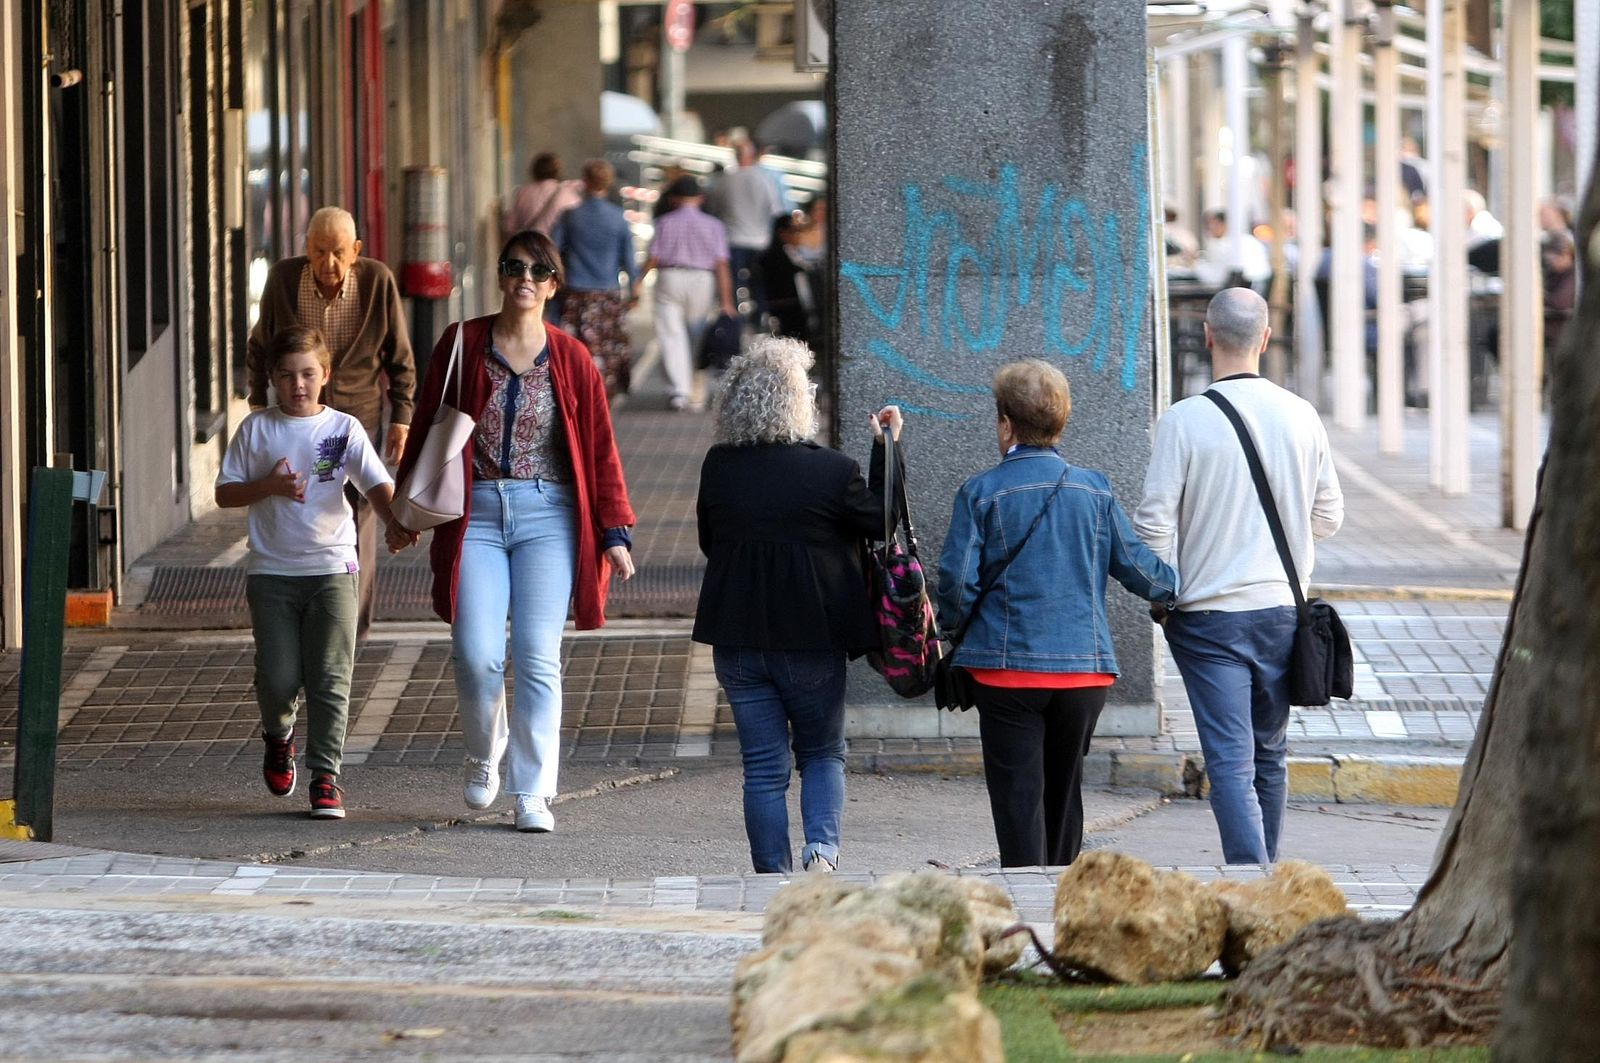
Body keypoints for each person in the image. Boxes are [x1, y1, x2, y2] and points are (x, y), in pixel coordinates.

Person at [389, 231, 637, 833]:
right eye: (514, 267)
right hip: (475, 511)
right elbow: (427, 424)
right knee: (476, 653)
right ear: (501, 276)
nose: (525, 278)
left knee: (536, 657)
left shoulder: (572, 358)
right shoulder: (463, 343)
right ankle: (483, 751)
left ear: (554, 285)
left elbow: (599, 448)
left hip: (548, 516)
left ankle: (533, 791)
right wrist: (405, 510)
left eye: (539, 270)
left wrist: (615, 530)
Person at [936, 360, 1177, 869]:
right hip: (1084, 674)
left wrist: (953, 632)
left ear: (1005, 422)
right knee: (1065, 795)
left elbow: (958, 584)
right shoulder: (1094, 489)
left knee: (1018, 800)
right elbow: (1140, 571)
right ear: (1061, 423)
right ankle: (1062, 901)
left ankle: (1026, 908)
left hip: (1005, 673)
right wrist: (1181, 589)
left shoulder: (981, 492)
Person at [1135, 288, 1344, 865]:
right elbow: (1329, 517)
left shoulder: (1182, 421)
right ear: (1266, 338)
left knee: (1229, 761)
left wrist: (1163, 594)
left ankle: (1251, 882)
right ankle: (1266, 883)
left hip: (1206, 620)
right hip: (1283, 612)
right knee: (1270, 754)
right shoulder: (1302, 415)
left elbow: (1152, 527)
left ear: (1207, 335)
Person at [693, 336, 903, 874]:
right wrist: (887, 448)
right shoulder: (832, 471)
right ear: (798, 402)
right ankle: (822, 854)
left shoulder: (720, 466)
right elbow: (882, 521)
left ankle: (771, 875)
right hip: (812, 638)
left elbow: (709, 541)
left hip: (737, 639)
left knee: (762, 767)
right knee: (821, 753)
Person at [219, 326, 404, 820]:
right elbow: (225, 492)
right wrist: (269, 486)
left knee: (330, 676)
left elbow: (376, 484)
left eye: (307, 373)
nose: (297, 384)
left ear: (326, 374)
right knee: (278, 678)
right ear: (273, 379)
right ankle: (279, 737)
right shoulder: (256, 429)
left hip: (333, 567)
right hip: (272, 572)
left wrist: (395, 525)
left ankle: (327, 779)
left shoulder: (343, 428)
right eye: (286, 375)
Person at [246, 206, 416, 641]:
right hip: (297, 417)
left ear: (356, 250)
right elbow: (261, 345)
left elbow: (400, 358)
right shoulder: (284, 279)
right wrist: (257, 401)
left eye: (339, 252)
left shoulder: (377, 281)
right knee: (305, 498)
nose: (329, 264)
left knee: (359, 506)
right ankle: (305, 601)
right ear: (306, 248)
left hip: (357, 416)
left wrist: (402, 417)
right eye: (319, 252)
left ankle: (349, 625)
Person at [634, 175, 737, 411]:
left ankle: (679, 392)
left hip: (670, 277)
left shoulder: (664, 222)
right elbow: (721, 264)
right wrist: (727, 301)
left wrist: (638, 283)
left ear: (674, 199)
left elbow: (654, 257)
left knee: (671, 335)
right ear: (700, 198)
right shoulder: (714, 225)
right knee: (697, 336)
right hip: (702, 279)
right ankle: (696, 390)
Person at [554, 159, 638, 400]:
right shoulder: (618, 217)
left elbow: (554, 251)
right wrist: (635, 290)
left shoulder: (570, 216)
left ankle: (577, 393)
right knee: (606, 350)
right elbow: (630, 261)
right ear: (609, 183)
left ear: (585, 181)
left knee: (576, 348)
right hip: (608, 293)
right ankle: (603, 396)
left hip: (576, 292)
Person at [706, 137, 785, 323]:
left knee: (733, 281)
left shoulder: (725, 180)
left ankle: (733, 318)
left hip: (733, 238)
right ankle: (760, 317)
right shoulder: (765, 180)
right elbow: (775, 210)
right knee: (758, 281)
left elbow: (714, 210)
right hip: (760, 239)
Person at [760, 212, 820, 347]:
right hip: (785, 311)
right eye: (794, 231)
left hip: (799, 310)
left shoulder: (796, 253)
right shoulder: (772, 257)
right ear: (782, 233)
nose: (798, 235)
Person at [502, 152, 582, 237]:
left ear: (534, 170)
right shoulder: (566, 193)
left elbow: (509, 226)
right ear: (557, 172)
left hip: (529, 245)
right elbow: (579, 222)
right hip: (555, 247)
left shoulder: (522, 192)